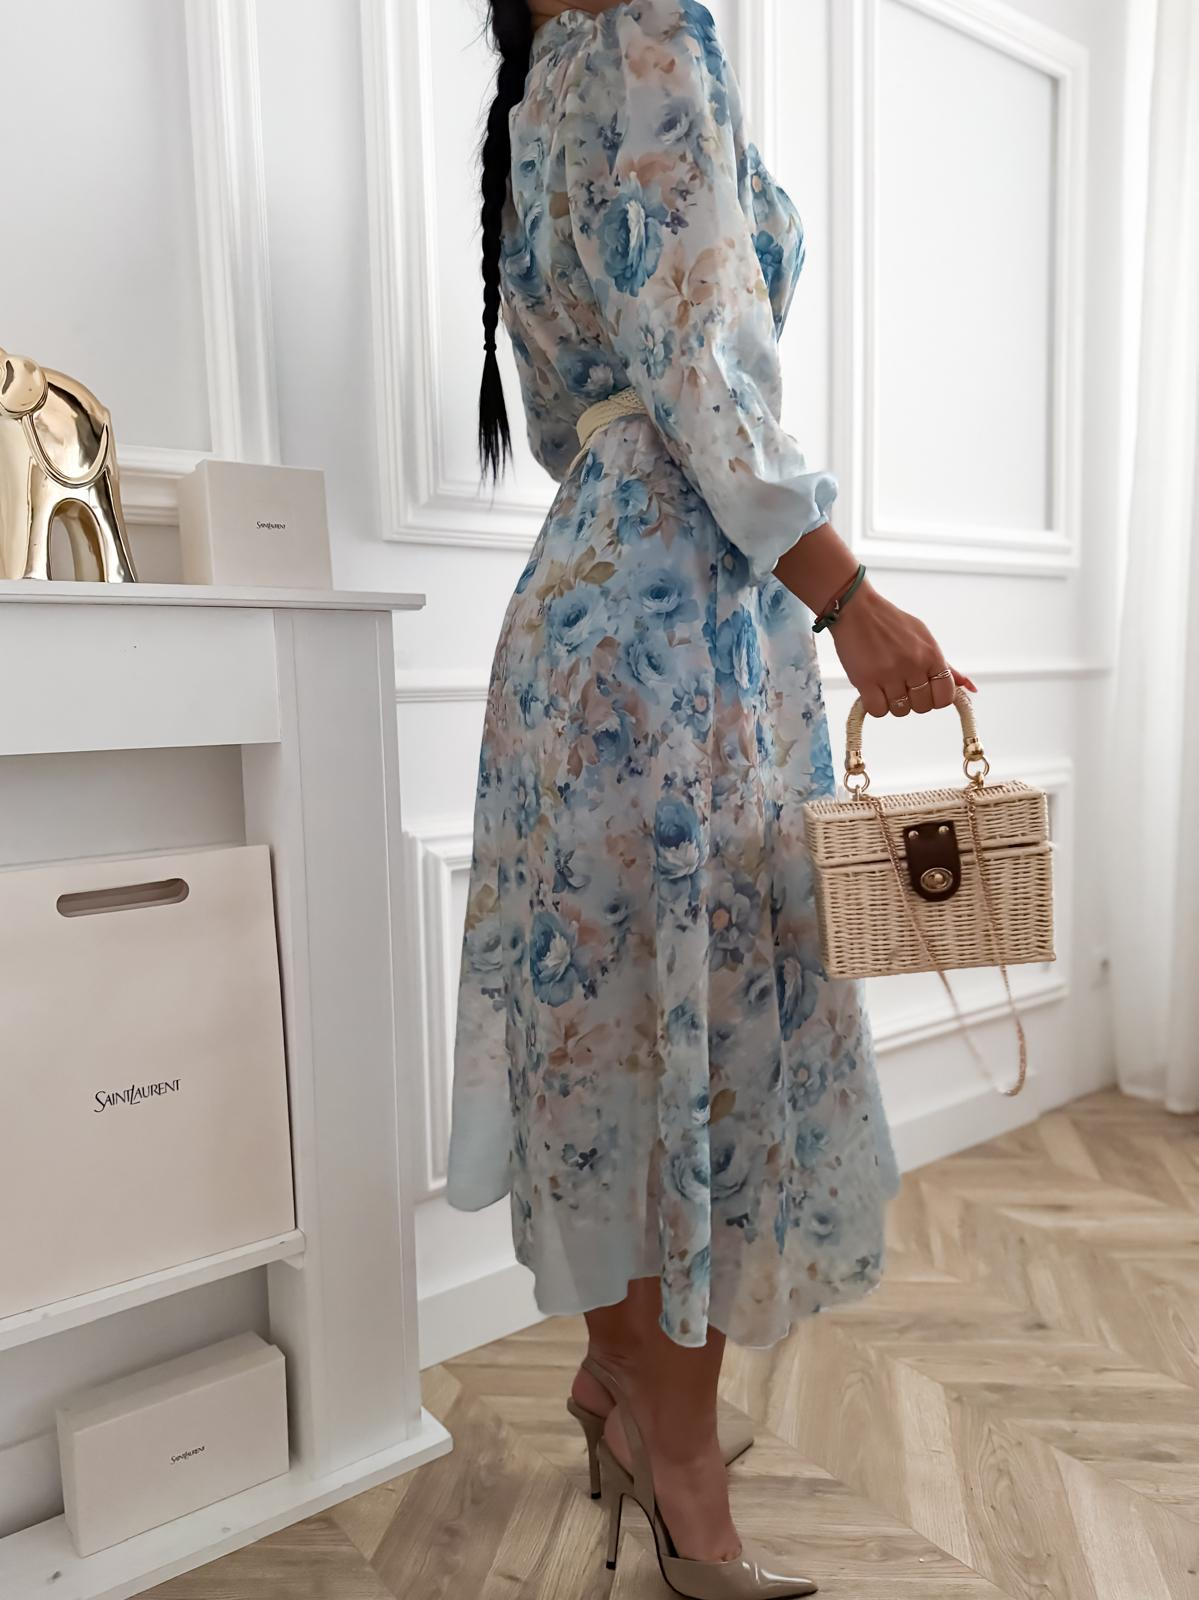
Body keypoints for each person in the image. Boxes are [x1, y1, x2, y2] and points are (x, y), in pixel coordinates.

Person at [447, 3, 977, 1593]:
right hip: (686, 632)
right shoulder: (648, 34)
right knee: (708, 1045)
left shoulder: (536, 84)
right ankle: (680, 1464)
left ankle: (621, 1383)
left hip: (577, 626)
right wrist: (851, 597)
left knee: (622, 1034)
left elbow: (598, 407)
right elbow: (706, 376)